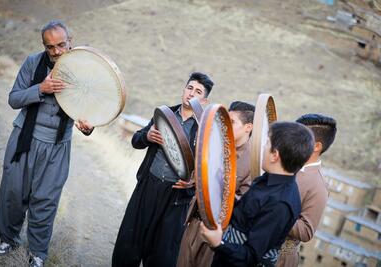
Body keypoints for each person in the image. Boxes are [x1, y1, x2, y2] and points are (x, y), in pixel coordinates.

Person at [0, 20, 94, 267]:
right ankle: (9, 239)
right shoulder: (32, 63)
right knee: (13, 192)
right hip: (24, 139)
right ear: (44, 47)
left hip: (57, 146)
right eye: (51, 47)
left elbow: (90, 115)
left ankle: (37, 253)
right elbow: (14, 99)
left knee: (45, 200)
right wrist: (41, 88)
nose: (57, 51)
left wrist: (88, 128)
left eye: (61, 45)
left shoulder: (85, 73)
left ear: (71, 40)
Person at [112, 72, 214, 267]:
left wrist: (192, 183)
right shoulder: (164, 114)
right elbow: (136, 141)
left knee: (162, 253)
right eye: (190, 88)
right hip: (147, 187)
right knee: (129, 242)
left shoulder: (205, 130)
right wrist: (147, 137)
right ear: (184, 89)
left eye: (198, 91)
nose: (191, 94)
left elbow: (207, 170)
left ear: (205, 100)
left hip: (176, 198)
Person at [200, 121, 314, 267]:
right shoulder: (268, 180)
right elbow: (247, 215)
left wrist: (218, 243)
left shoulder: (281, 204)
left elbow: (251, 256)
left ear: (275, 155)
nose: (262, 149)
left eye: (267, 144)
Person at [176, 101, 255, 267]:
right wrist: (192, 183)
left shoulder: (253, 164)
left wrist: (219, 190)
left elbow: (245, 204)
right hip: (194, 223)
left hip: (218, 233)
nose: (226, 127)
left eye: (232, 122)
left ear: (248, 127)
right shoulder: (216, 145)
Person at [276, 114, 337, 267]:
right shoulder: (281, 162)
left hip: (279, 258)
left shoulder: (318, 185)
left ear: (316, 146)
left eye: (298, 136)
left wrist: (273, 211)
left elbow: (306, 231)